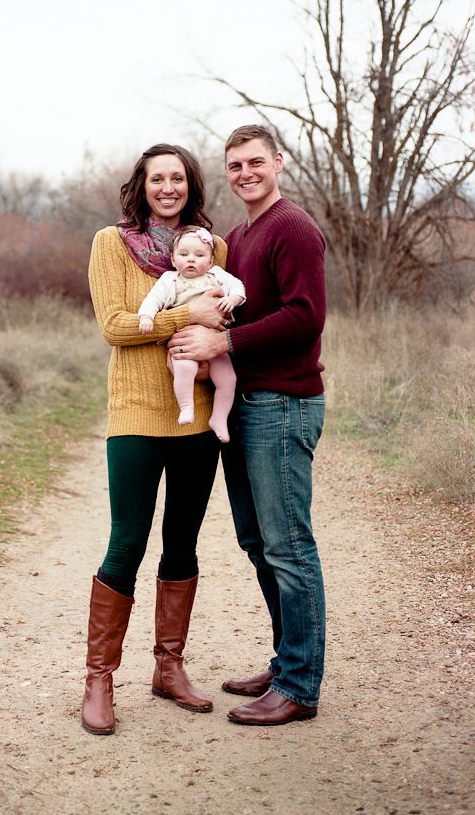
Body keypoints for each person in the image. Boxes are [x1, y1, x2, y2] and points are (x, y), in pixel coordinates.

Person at [168, 124, 327, 726]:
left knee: (289, 547)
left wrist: (224, 337)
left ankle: (300, 686)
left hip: (283, 402)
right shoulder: (234, 236)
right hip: (245, 405)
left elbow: (305, 318)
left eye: (255, 162)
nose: (245, 174)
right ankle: (289, 659)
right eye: (234, 166)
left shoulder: (294, 228)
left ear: (279, 163)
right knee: (259, 544)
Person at [83, 143, 229, 735]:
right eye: (156, 179)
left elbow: (229, 316)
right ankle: (99, 678)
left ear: (190, 186)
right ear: (141, 187)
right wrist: (187, 318)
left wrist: (218, 328)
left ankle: (169, 667)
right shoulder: (109, 243)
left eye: (177, 178)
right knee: (127, 542)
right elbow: (116, 326)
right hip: (137, 417)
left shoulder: (213, 248)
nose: (167, 188)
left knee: (183, 540)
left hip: (195, 419)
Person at [137, 225, 246, 442]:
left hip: (215, 339)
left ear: (211, 261)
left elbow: (239, 287)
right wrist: (146, 317)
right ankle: (186, 407)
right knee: (184, 368)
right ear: (173, 258)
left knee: (228, 379)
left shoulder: (217, 275)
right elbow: (153, 300)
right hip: (185, 339)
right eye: (184, 254)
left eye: (199, 255)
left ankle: (219, 418)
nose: (191, 260)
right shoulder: (171, 279)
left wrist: (232, 299)